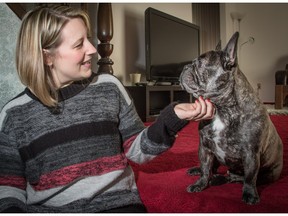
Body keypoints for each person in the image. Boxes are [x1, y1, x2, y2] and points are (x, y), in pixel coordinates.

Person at [0, 5, 215, 213]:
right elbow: (8, 189)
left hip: (117, 206)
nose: (92, 49)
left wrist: (172, 117)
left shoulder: (109, 87)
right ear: (47, 57)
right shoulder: (13, 115)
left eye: (89, 39)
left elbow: (136, 149)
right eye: (78, 44)